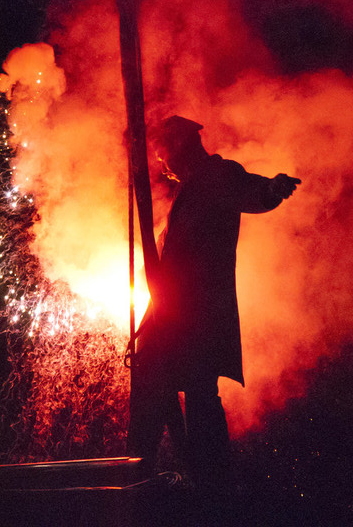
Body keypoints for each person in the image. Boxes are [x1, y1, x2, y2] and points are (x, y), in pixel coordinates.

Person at [127, 115, 301, 492]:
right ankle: (167, 481)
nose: (162, 163)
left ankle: (208, 488)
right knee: (163, 391)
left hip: (196, 317)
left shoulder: (216, 175)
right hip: (173, 315)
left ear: (179, 147)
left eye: (163, 154)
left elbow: (250, 190)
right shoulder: (190, 189)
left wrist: (272, 189)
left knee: (193, 396)